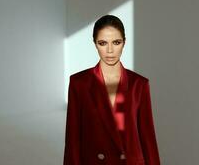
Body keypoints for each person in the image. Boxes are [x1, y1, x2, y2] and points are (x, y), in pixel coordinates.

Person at [63, 15, 161, 165]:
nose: (110, 50)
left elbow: (148, 138)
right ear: (95, 44)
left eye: (116, 42)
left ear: (124, 43)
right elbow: (73, 140)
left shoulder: (139, 84)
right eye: (103, 43)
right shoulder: (79, 83)